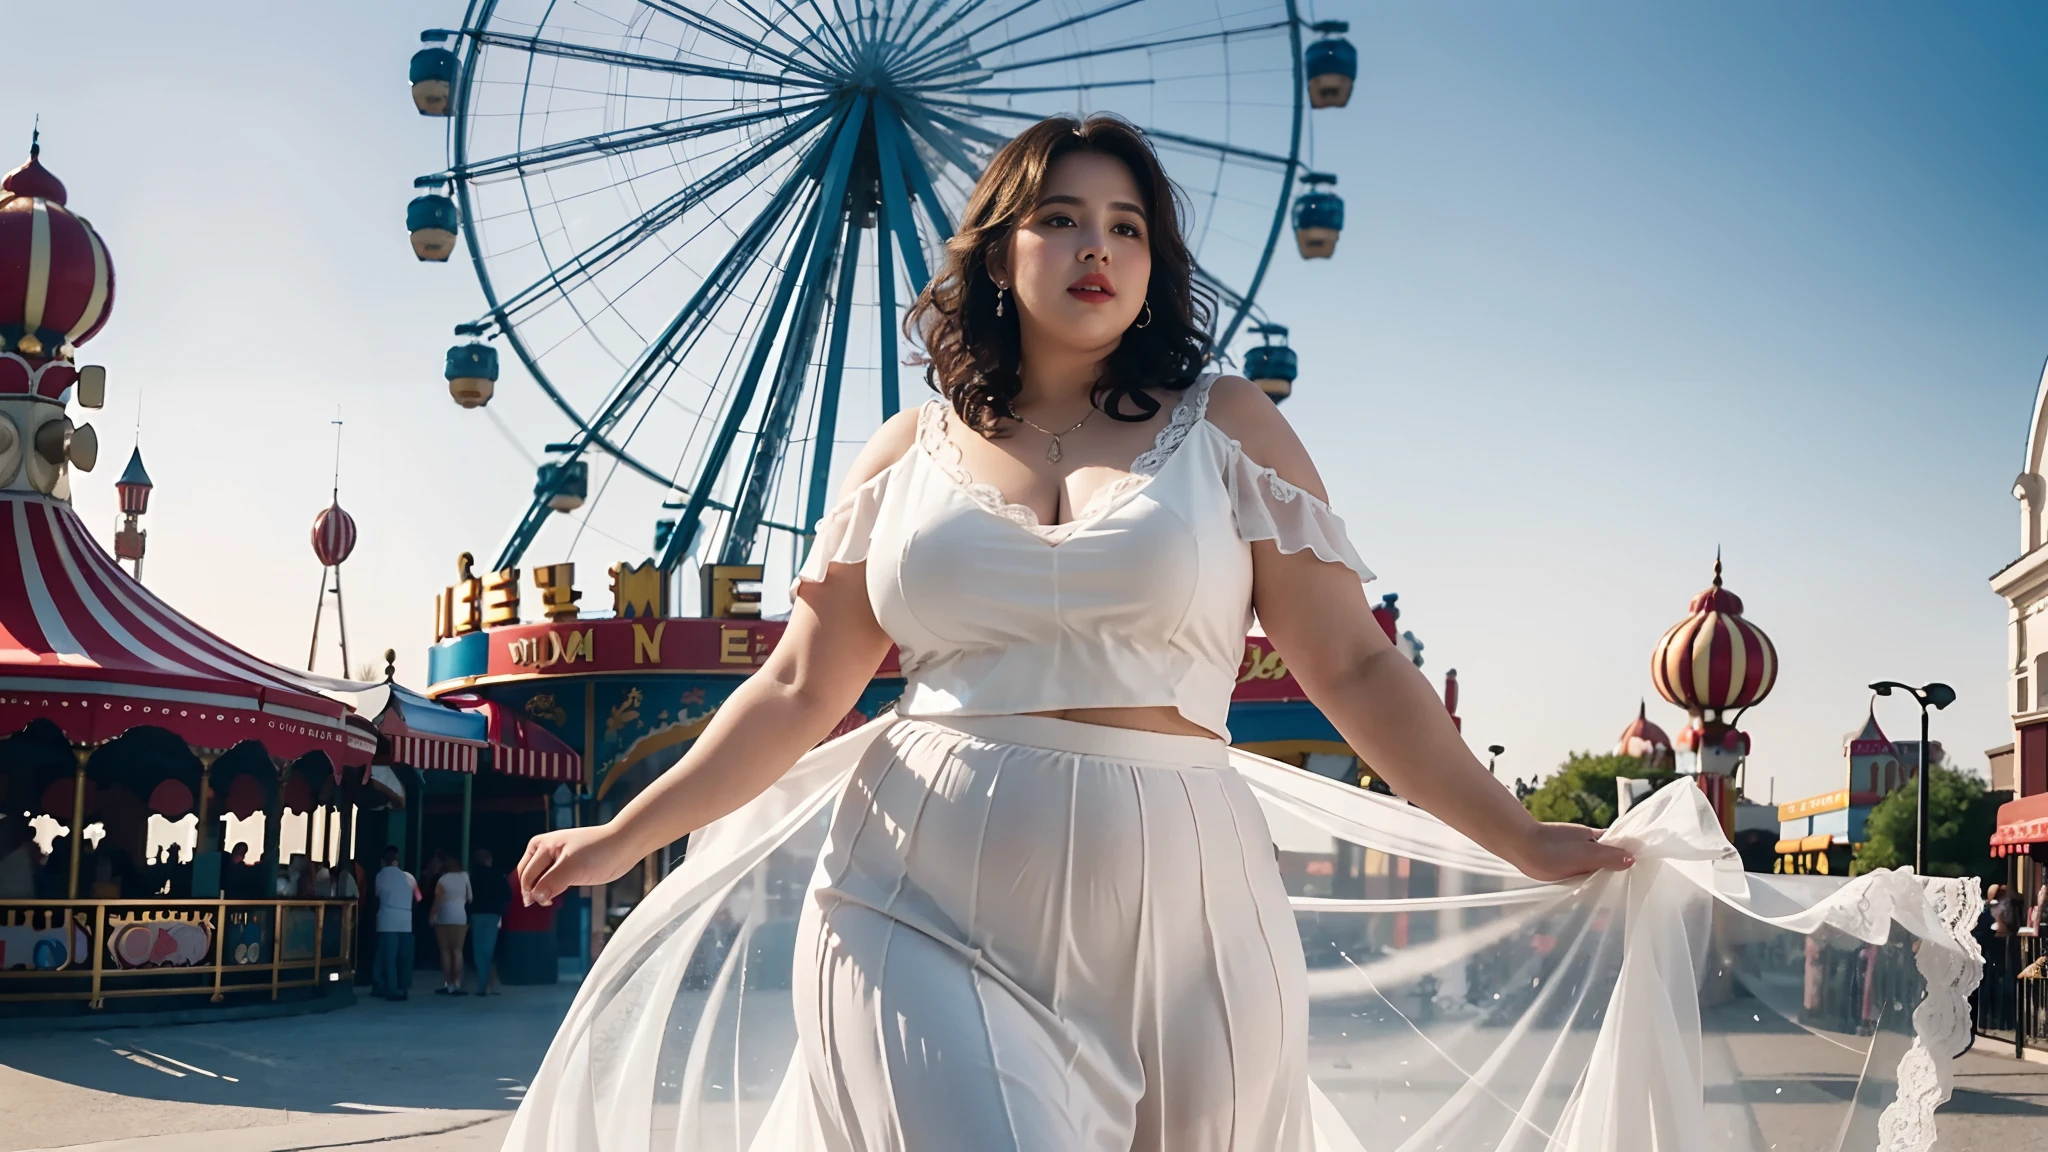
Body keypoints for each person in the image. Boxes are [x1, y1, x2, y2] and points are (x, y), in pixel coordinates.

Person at [503, 115, 1979, 1151]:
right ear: (996, 251)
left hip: (1190, 907)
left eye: (1130, 226)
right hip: (913, 896)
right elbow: (793, 686)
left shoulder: (1227, 428)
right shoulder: (902, 456)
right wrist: (628, 832)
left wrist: (1516, 832)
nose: (1101, 248)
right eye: (1065, 219)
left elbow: (1352, 667)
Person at [372, 846, 420, 1001]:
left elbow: (378, 894)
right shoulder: (410, 877)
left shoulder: (381, 876)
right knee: (404, 957)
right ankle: (403, 987)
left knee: (389, 957)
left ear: (383, 862)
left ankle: (390, 989)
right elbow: (419, 897)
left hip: (388, 919)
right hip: (406, 920)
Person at [430, 850, 472, 995]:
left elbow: (438, 900)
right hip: (461, 916)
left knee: (445, 952)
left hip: (444, 917)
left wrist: (432, 915)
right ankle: (457, 984)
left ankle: (448, 984)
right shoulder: (464, 876)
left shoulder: (442, 880)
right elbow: (470, 898)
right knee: (458, 951)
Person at [467, 848, 509, 995]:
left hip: (477, 914)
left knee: (478, 950)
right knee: (489, 949)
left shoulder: (473, 876)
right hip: (493, 915)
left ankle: (482, 985)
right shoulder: (498, 875)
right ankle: (489, 985)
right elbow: (507, 895)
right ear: (489, 859)